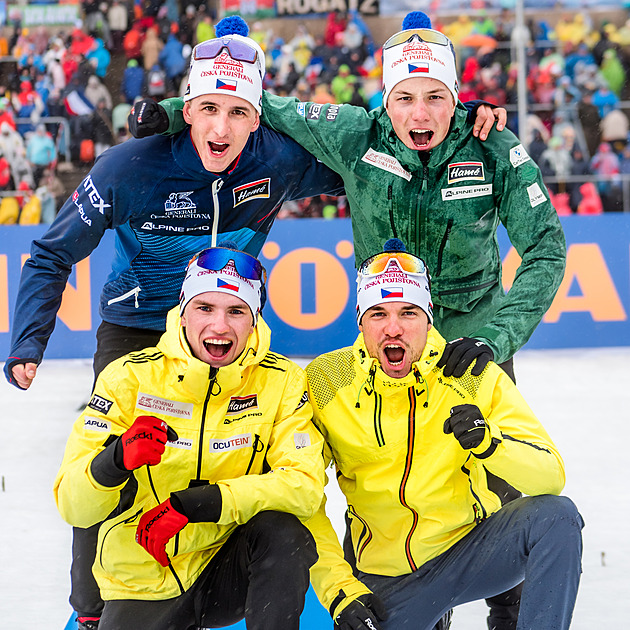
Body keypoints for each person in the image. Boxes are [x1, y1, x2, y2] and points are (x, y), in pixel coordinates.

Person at [4, 18, 344, 630]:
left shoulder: (279, 160)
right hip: (136, 327)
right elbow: (52, 251)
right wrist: (29, 339)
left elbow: (373, 164)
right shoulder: (130, 167)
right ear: (186, 108)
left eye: (239, 112)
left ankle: (223, 574)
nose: (221, 128)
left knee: (240, 453)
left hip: (223, 322)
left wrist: (460, 129)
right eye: (208, 108)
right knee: (111, 462)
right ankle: (91, 610)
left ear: (258, 116)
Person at [304, 241, 583, 630]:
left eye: (408, 312)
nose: (393, 328)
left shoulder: (467, 372)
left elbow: (551, 476)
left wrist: (490, 445)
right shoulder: (326, 380)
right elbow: (302, 496)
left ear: (429, 318)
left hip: (471, 553)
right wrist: (339, 591)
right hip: (388, 576)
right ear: (360, 320)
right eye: (378, 313)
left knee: (556, 517)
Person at [53, 245, 325, 630]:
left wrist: (196, 504)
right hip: (144, 580)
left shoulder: (281, 381)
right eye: (205, 308)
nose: (219, 326)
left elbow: (305, 486)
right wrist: (113, 462)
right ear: (182, 314)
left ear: (254, 320)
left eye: (236, 311)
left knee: (284, 533)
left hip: (225, 569)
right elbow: (72, 506)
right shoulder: (127, 379)